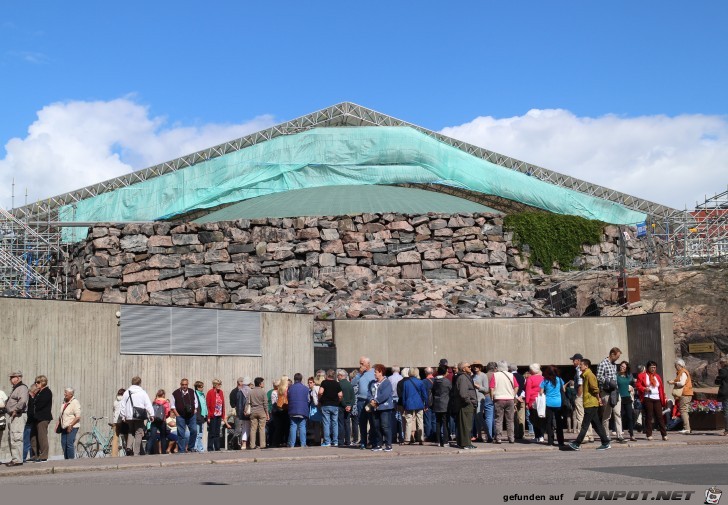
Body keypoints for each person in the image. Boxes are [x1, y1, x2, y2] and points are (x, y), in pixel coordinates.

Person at [568, 359, 611, 451]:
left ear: (586, 366)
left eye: (581, 365)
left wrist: (598, 398)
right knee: (596, 425)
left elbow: (595, 389)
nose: (580, 366)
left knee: (585, 425)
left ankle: (577, 443)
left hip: (591, 403)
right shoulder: (585, 375)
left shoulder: (589, 375)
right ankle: (605, 442)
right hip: (589, 403)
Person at [120, 376, 154, 456]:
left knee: (131, 431)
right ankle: (136, 452)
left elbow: (122, 404)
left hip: (129, 416)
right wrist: (151, 414)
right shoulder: (142, 392)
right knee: (138, 432)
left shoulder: (127, 392)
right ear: (139, 383)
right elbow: (148, 404)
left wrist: (123, 415)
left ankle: (128, 447)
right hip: (139, 415)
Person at [597, 347, 625, 443]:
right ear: (612, 354)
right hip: (606, 392)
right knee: (607, 415)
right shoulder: (602, 363)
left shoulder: (614, 364)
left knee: (617, 413)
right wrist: (608, 381)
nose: (617, 359)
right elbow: (599, 377)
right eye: (617, 356)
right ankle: (606, 435)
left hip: (615, 391)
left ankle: (620, 434)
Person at [635, 361, 668, 441]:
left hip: (657, 398)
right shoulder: (642, 375)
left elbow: (660, 388)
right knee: (649, 416)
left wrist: (663, 397)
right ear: (648, 367)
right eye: (652, 367)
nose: (653, 369)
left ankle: (664, 434)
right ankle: (649, 434)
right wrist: (644, 389)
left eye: (654, 367)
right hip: (648, 397)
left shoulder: (657, 376)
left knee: (659, 416)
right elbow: (638, 385)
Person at [4, 371, 29, 466]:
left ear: (17, 378)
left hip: (18, 415)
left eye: (12, 377)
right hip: (13, 416)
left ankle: (17, 460)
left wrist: (15, 410)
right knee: (12, 438)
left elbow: (22, 401)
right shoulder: (16, 388)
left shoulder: (22, 388)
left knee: (16, 437)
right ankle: (15, 458)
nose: (10, 379)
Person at [490, 360, 518, 444]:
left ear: (498, 367)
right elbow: (516, 387)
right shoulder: (511, 375)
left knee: (498, 419)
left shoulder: (495, 375)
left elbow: (491, 388)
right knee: (510, 420)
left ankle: (498, 438)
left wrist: (492, 397)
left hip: (498, 399)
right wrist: (513, 395)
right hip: (510, 399)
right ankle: (511, 438)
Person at [368, 363, 394, 452]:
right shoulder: (373, 383)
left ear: (381, 372)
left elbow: (385, 395)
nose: (374, 374)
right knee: (376, 426)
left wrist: (376, 401)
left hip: (385, 408)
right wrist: (371, 399)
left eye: (376, 372)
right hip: (375, 408)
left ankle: (388, 445)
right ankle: (378, 444)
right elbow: (369, 393)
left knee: (385, 426)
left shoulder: (387, 382)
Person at [351, 356, 375, 449]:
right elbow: (352, 384)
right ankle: (363, 442)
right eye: (360, 363)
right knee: (362, 422)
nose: (360, 365)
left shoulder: (373, 372)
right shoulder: (360, 374)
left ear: (368, 364)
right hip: (360, 400)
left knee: (372, 422)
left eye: (362, 363)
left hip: (369, 400)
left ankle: (372, 441)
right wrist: (359, 374)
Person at [401, 366, 428, 445]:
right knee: (420, 421)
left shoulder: (406, 383)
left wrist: (404, 405)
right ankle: (421, 438)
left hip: (409, 404)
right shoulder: (420, 382)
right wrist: (426, 404)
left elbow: (404, 395)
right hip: (419, 404)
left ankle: (407, 439)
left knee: (408, 422)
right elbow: (424, 395)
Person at [170, 378, 198, 453]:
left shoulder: (192, 391)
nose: (184, 386)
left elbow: (196, 402)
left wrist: (195, 410)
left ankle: (190, 447)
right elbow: (172, 406)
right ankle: (181, 450)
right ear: (180, 385)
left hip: (191, 416)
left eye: (186, 385)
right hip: (181, 416)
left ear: (188, 385)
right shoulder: (175, 393)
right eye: (183, 385)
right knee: (181, 434)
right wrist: (177, 415)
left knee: (194, 431)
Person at [539, 365, 565, 447]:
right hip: (558, 403)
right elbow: (563, 389)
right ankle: (561, 441)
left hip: (548, 403)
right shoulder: (560, 380)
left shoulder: (545, 381)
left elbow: (541, 392)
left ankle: (550, 441)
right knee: (559, 422)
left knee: (549, 422)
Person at [454, 362, 477, 450]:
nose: (470, 368)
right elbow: (463, 393)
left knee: (465, 424)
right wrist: (469, 402)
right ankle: (466, 443)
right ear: (463, 369)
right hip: (466, 405)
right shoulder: (463, 378)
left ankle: (464, 442)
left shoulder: (465, 377)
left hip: (466, 404)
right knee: (466, 425)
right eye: (469, 367)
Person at [668, 358, 693, 435]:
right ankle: (687, 428)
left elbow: (682, 383)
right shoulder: (682, 372)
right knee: (684, 410)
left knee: (683, 410)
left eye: (675, 365)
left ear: (679, 365)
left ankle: (686, 428)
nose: (675, 367)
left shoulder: (683, 372)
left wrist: (674, 383)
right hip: (687, 393)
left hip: (685, 393)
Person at [318, 369, 342, 447]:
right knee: (335, 423)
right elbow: (340, 395)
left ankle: (327, 441)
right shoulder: (337, 383)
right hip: (335, 405)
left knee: (326, 423)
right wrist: (338, 401)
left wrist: (319, 399)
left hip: (326, 405)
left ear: (327, 375)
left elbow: (320, 392)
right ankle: (335, 441)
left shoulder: (324, 382)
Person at [206, 379, 230, 451]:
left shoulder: (221, 392)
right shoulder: (210, 392)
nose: (220, 386)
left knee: (217, 432)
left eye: (220, 384)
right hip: (212, 415)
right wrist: (209, 416)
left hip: (219, 414)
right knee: (211, 432)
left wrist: (223, 415)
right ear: (215, 385)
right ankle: (210, 447)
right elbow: (208, 405)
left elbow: (223, 404)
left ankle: (217, 447)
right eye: (218, 384)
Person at [432, 365, 452, 447]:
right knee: (445, 422)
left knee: (438, 422)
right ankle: (445, 441)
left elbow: (433, 391)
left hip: (437, 403)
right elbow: (451, 390)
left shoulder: (435, 381)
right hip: (445, 403)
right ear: (444, 372)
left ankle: (438, 441)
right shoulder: (446, 381)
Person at [287, 373, 309, 447]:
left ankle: (292, 444)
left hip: (293, 409)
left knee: (293, 426)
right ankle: (303, 444)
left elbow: (288, 398)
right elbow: (308, 400)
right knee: (302, 426)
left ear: (294, 379)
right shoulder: (306, 388)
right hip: (303, 410)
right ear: (301, 379)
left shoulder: (290, 388)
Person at [58, 387, 81, 459]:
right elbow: (62, 414)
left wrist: (71, 425)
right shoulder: (64, 402)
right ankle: (66, 459)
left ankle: (71, 461)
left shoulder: (75, 402)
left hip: (72, 426)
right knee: (63, 443)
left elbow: (78, 417)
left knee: (69, 443)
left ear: (71, 394)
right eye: (64, 392)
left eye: (66, 393)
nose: (64, 394)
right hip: (64, 426)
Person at [146, 389, 170, 455]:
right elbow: (168, 413)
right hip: (162, 421)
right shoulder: (166, 402)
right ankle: (163, 452)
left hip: (154, 420)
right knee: (163, 437)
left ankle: (148, 451)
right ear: (163, 395)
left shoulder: (154, 402)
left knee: (152, 436)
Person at [617, 361, 636, 441]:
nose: (622, 368)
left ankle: (631, 434)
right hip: (619, 398)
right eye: (621, 366)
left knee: (630, 417)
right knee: (619, 416)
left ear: (626, 369)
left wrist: (632, 387)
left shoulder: (629, 376)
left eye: (624, 367)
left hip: (627, 397)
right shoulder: (616, 375)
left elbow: (633, 384)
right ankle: (620, 433)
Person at [525, 363, 544, 442]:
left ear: (532, 370)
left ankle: (537, 436)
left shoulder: (530, 379)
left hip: (532, 400)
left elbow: (528, 391)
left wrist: (526, 402)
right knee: (541, 418)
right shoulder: (543, 378)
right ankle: (541, 436)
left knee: (533, 419)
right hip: (541, 400)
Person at [248, 377, 269, 449]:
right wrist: (267, 413)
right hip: (261, 411)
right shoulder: (263, 392)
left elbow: (247, 402)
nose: (263, 384)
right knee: (262, 428)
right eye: (262, 382)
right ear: (260, 384)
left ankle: (252, 445)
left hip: (253, 411)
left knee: (253, 429)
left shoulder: (251, 391)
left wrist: (245, 410)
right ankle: (262, 445)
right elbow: (265, 404)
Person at [471, 362, 489, 443]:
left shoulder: (483, 375)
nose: (475, 368)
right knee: (476, 418)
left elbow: (486, 389)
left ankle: (488, 436)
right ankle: (479, 436)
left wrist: (478, 386)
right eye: (474, 366)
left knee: (480, 417)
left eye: (477, 366)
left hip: (480, 398)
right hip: (473, 399)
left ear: (480, 367)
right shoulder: (472, 376)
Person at [337, 369, 355, 447]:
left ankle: (341, 441)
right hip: (349, 406)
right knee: (347, 424)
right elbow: (353, 397)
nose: (337, 377)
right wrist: (350, 405)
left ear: (341, 376)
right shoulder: (350, 384)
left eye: (338, 375)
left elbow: (340, 397)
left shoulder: (339, 384)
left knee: (341, 424)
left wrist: (344, 405)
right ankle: (348, 440)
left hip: (341, 406)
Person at [510, 364, 526, 440]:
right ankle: (521, 434)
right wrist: (521, 396)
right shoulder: (522, 377)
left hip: (513, 398)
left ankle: (516, 434)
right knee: (521, 417)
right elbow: (524, 388)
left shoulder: (510, 376)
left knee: (513, 417)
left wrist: (516, 396)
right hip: (522, 398)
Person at [23, 383, 38, 463]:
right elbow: (30, 411)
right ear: (34, 390)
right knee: (27, 440)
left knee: (29, 440)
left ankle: (30, 456)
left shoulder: (31, 397)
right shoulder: (29, 397)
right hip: (28, 422)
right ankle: (23, 457)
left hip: (30, 421)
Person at [715, 357, 728, 436]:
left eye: (720, 363)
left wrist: (719, 370)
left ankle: (727, 430)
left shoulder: (723, 371)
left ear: (723, 363)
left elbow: (717, 381)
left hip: (726, 393)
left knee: (726, 412)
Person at [193, 381, 207, 452]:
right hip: (198, 415)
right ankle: (197, 447)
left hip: (202, 415)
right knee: (197, 433)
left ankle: (199, 447)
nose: (202, 388)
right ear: (197, 387)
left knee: (201, 433)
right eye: (201, 387)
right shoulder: (195, 394)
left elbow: (204, 405)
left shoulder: (202, 395)